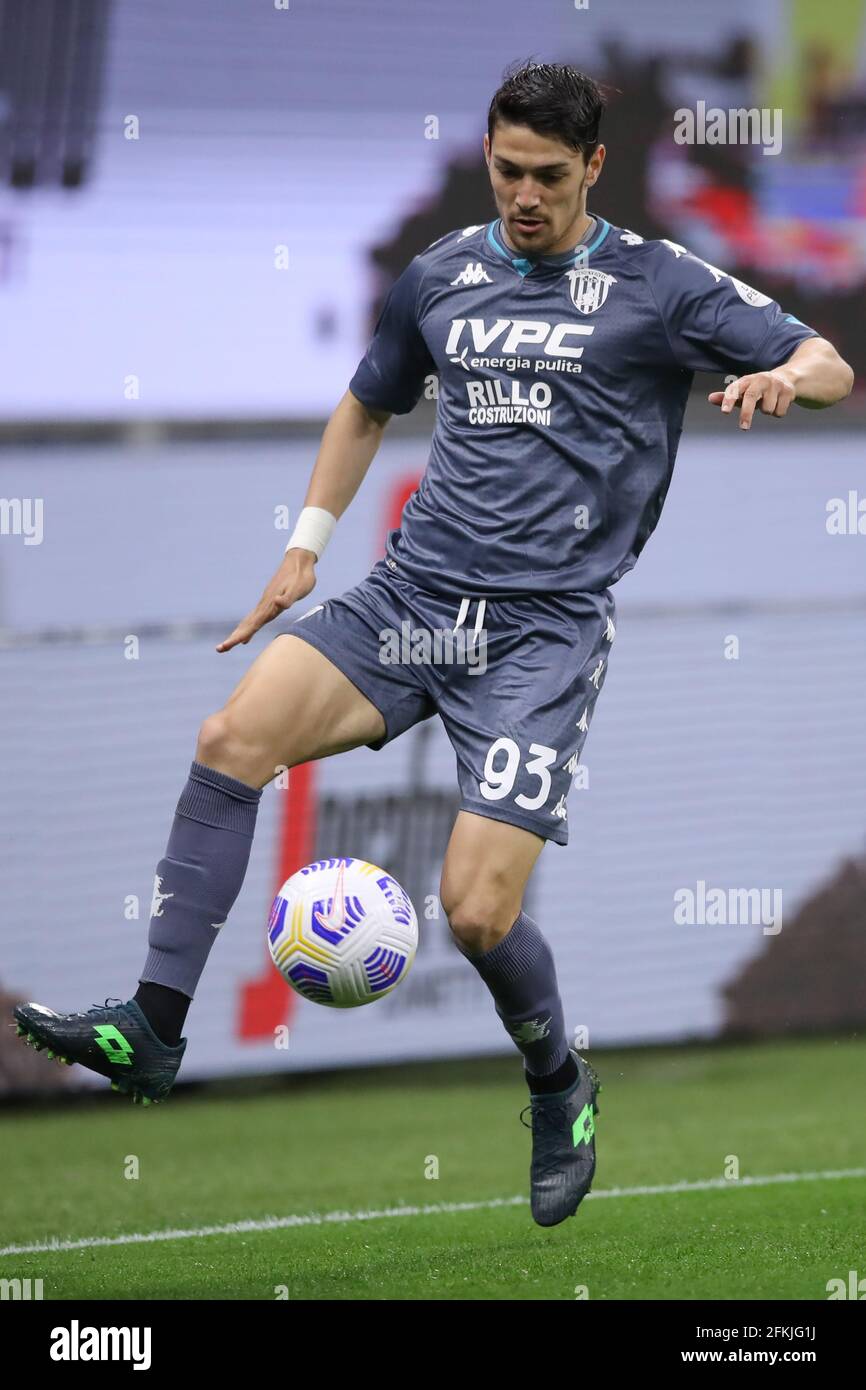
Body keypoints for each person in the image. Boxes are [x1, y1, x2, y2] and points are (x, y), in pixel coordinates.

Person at [14, 61, 853, 1229]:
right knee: (230, 736)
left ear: (592, 169)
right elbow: (366, 401)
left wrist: (778, 377)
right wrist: (307, 545)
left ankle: (559, 1086)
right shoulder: (442, 274)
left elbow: (827, 359)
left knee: (474, 912)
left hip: (540, 635)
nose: (521, 194)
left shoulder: (656, 284)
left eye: (547, 177)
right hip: (411, 598)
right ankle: (154, 1029)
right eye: (507, 170)